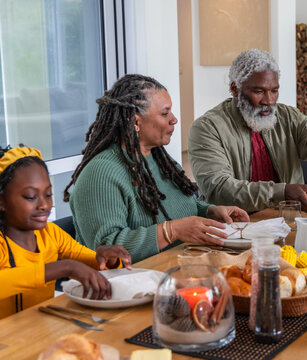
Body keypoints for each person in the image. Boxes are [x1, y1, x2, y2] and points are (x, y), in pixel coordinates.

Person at [65, 74, 249, 264]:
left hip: (177, 269)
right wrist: (171, 231)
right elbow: (107, 250)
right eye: (164, 113)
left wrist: (210, 211)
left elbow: (178, 208)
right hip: (128, 285)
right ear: (135, 122)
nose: (174, 119)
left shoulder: (158, 158)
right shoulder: (100, 174)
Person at [189, 49, 307, 215]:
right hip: (233, 228)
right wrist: (281, 192)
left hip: (285, 219)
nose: (269, 101)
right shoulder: (207, 128)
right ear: (235, 89)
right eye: (259, 91)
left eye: (274, 91)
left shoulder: (286, 116)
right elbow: (219, 188)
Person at [0, 146, 132, 319]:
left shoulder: (51, 234)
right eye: (31, 197)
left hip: (34, 331)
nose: (44, 205)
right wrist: (64, 267)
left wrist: (110, 261)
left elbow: (93, 265)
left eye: (48, 195)